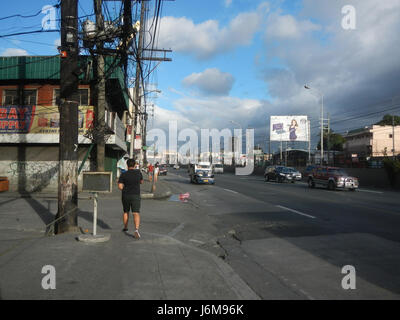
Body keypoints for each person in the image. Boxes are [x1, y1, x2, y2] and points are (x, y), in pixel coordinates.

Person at [118, 158, 144, 239]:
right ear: (135, 165)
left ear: (127, 165)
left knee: (126, 212)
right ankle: (136, 230)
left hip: (126, 195)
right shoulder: (138, 173)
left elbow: (120, 186)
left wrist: (125, 188)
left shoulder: (123, 174)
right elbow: (141, 182)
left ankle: (125, 228)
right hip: (135, 195)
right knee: (136, 212)